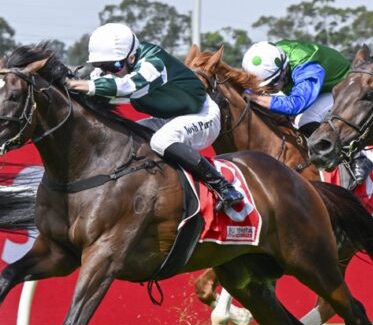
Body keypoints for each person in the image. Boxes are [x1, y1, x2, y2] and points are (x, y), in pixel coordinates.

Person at [67, 23, 243, 211]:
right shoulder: (113, 66)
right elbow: (91, 88)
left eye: (114, 65)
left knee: (161, 140)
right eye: (100, 66)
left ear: (132, 57)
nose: (107, 72)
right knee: (126, 138)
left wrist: (76, 85)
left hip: (202, 115)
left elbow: (129, 86)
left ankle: (223, 186)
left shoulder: (153, 61)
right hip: (167, 118)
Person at [241, 40, 373, 189]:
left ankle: (357, 158)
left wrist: (258, 98)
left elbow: (296, 105)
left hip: (342, 88)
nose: (267, 91)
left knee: (305, 120)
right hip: (315, 88)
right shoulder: (270, 57)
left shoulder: (306, 66)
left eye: (270, 86)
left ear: (282, 73)